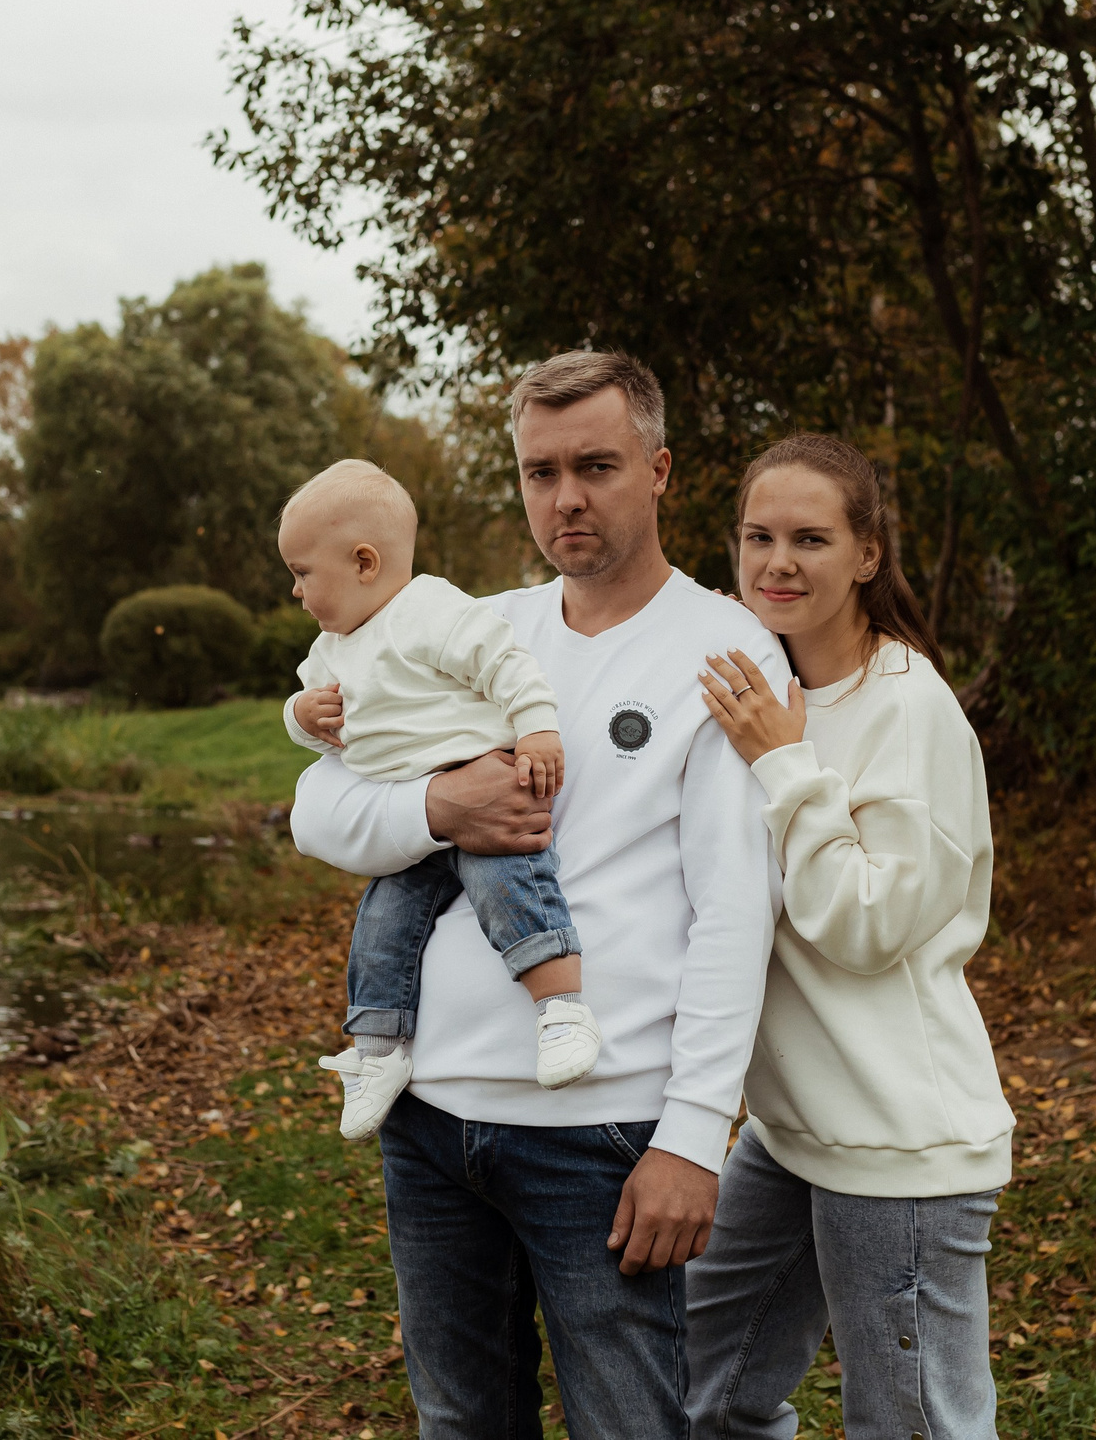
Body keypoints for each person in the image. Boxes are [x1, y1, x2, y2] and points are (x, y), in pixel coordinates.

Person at [288, 351, 787, 1437]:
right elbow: (318, 810)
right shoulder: (476, 625)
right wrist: (440, 806)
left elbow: (735, 910)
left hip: (599, 1130)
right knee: (461, 1421)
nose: (565, 497)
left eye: (596, 465)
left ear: (658, 470)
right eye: (539, 469)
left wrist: (695, 1132)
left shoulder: (727, 648)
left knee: (628, 1425)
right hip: (428, 1119)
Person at [685, 433, 1013, 1440]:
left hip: (897, 1139)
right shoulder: (758, 690)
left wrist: (787, 770)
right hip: (793, 1134)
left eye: (810, 537)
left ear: (867, 552)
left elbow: (868, 925)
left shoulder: (904, 704)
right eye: (758, 535)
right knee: (704, 1387)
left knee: (912, 1426)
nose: (777, 560)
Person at [275, 458, 603, 1140]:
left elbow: (507, 664)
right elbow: (310, 733)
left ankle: (562, 1009)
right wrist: (303, 717)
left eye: (304, 573)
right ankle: (379, 1051)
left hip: (482, 781)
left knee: (512, 888)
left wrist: (537, 728)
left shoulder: (431, 611)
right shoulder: (330, 649)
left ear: (364, 561)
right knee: (381, 929)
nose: (296, 591)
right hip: (413, 812)